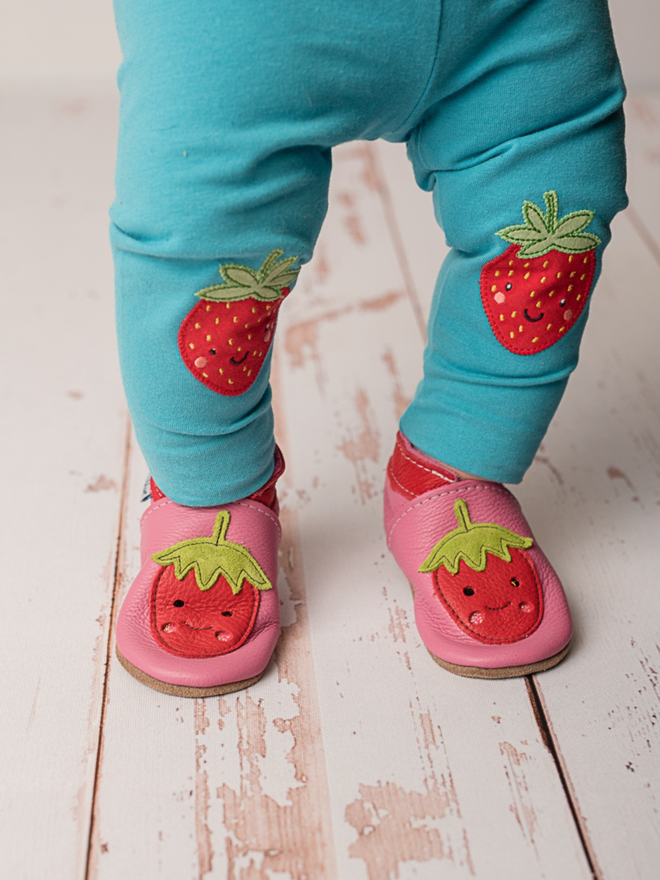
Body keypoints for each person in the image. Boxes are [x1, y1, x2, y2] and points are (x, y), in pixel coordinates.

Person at [111, 0, 627, 696]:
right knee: (203, 257)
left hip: (509, 16)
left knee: (554, 223)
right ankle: (210, 493)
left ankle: (451, 467)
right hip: (237, 23)